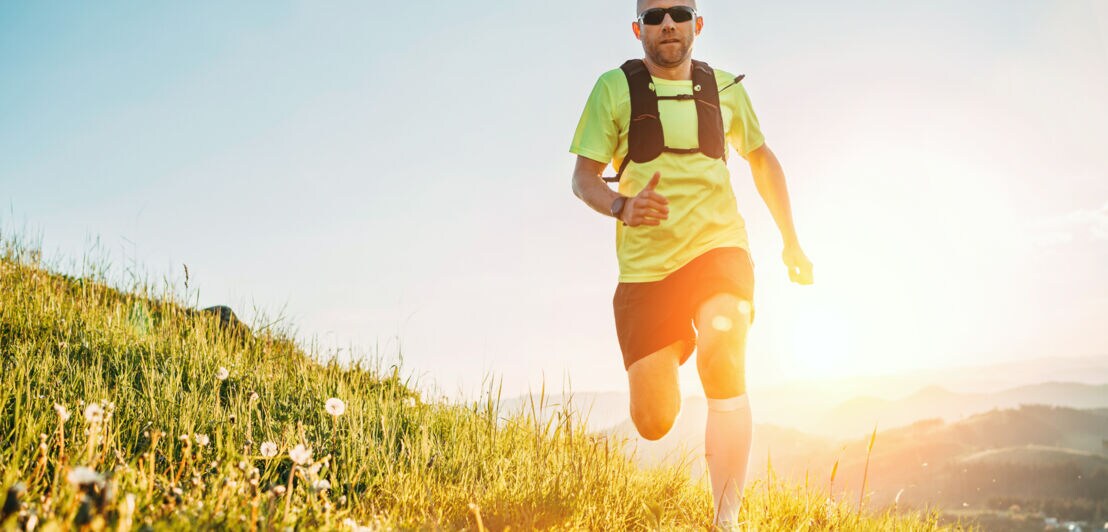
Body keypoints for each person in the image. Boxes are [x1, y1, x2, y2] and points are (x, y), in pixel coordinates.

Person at [568, 0, 814, 527]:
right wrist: (621, 205)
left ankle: (725, 520)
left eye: (678, 12)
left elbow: (762, 159)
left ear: (697, 24)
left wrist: (791, 241)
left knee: (724, 351)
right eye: (654, 17)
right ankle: (678, 338)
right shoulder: (613, 89)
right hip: (647, 270)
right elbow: (583, 177)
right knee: (654, 420)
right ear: (638, 29)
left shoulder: (725, 87)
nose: (668, 25)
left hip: (718, 249)